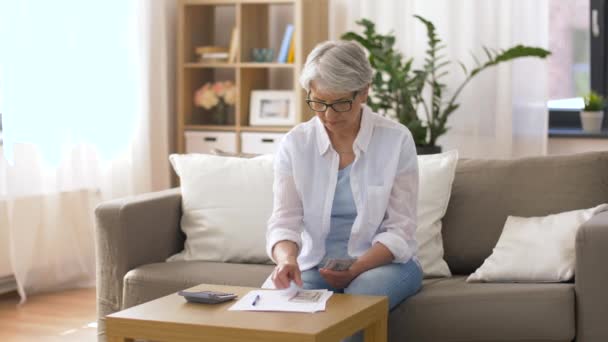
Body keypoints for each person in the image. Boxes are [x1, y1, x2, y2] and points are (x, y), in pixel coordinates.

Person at [266, 40, 422, 323]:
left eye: (339, 104)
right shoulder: (295, 144)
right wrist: (287, 260)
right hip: (314, 265)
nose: (328, 116)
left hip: (385, 264)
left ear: (364, 92)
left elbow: (401, 230)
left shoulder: (396, 140)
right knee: (272, 314)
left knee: (352, 310)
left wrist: (357, 267)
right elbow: (284, 222)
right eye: (318, 103)